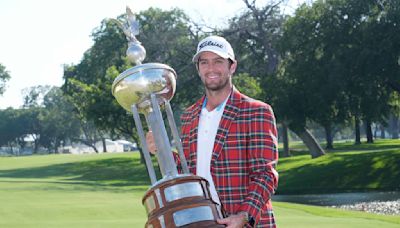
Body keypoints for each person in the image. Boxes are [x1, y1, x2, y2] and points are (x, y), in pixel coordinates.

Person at [147, 35, 279, 227]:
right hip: (204, 221)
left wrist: (243, 215)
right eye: (204, 62)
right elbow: (189, 172)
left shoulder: (256, 111)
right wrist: (162, 149)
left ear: (231, 66)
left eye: (218, 61)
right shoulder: (189, 115)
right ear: (198, 68)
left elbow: (265, 175)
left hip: (243, 222)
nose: (211, 69)